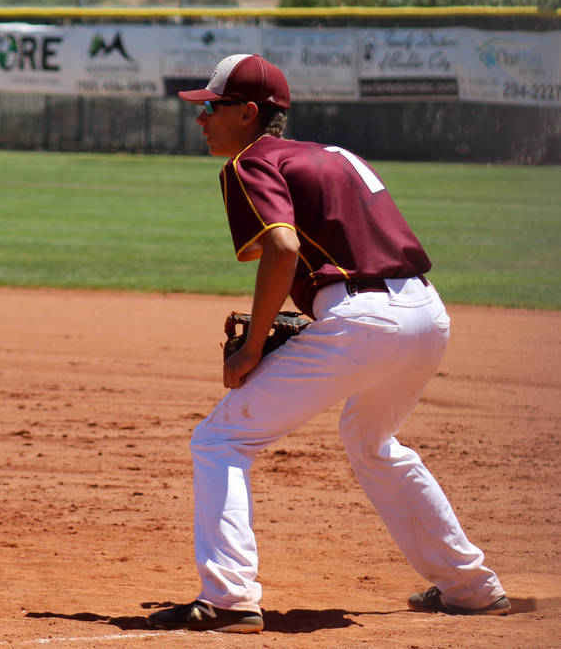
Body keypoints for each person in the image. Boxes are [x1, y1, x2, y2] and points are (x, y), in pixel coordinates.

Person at [147, 54, 509, 634]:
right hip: (426, 313)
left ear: (248, 112)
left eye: (212, 107)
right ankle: (471, 587)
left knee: (220, 439)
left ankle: (229, 598)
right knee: (372, 441)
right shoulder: (338, 154)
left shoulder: (250, 162)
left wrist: (253, 346)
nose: (202, 118)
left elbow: (284, 249)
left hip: (362, 320)